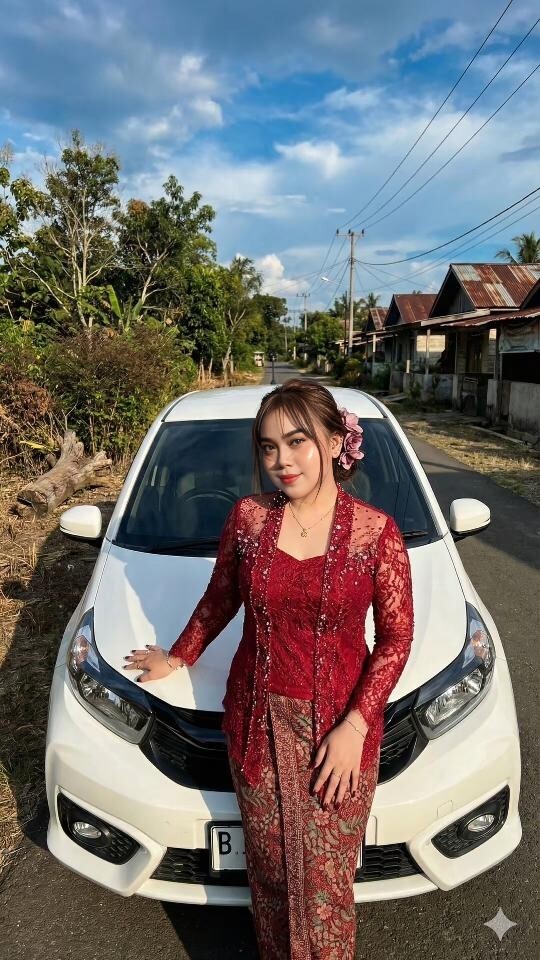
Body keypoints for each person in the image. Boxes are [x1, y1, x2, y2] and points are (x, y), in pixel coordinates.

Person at [123, 378, 414, 960]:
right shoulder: (249, 519)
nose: (282, 460)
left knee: (325, 885)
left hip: (338, 731)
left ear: (335, 443)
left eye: (297, 441)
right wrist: (177, 656)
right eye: (268, 447)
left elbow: (396, 639)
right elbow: (220, 598)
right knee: (273, 873)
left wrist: (355, 726)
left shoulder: (375, 533)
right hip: (256, 724)